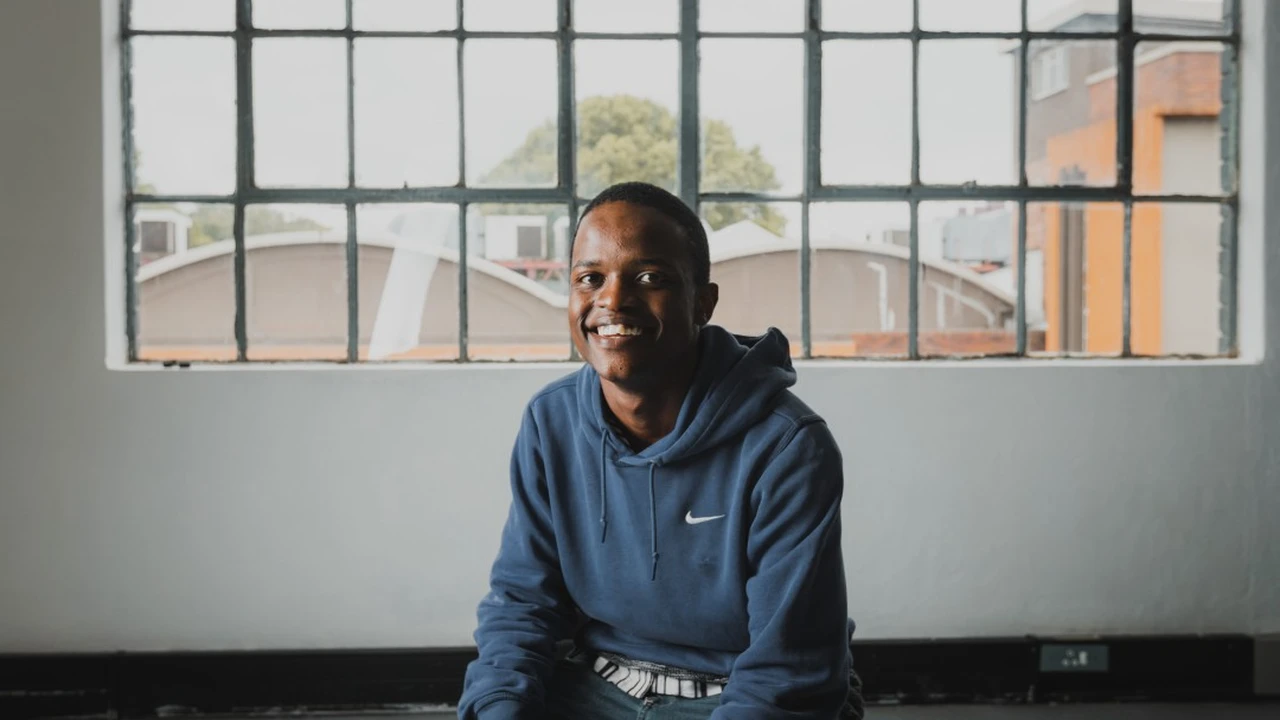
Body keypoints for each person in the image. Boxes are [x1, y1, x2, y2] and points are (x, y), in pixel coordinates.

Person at [458, 182, 860, 719]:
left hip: (737, 693)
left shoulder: (788, 446)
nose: (613, 300)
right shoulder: (550, 421)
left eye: (650, 278)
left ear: (702, 303)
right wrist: (501, 707)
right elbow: (522, 602)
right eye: (590, 278)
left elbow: (787, 671)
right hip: (597, 683)